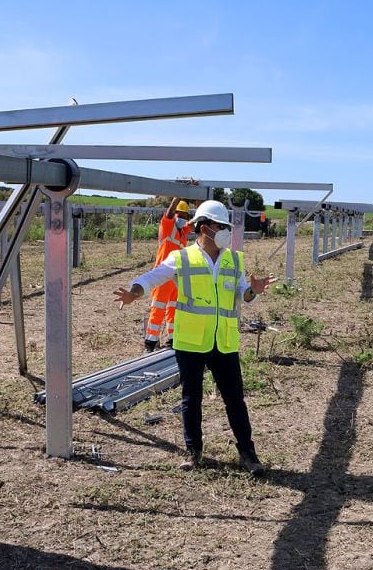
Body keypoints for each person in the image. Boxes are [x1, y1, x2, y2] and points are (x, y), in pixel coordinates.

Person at [113, 200, 275, 476]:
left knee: (235, 399)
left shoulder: (234, 258)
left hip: (223, 341)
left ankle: (248, 453)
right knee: (192, 398)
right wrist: (134, 291)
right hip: (190, 341)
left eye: (224, 226)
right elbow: (153, 277)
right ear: (203, 228)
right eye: (217, 225)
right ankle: (193, 451)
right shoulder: (182, 257)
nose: (222, 230)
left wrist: (253, 290)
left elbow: (242, 294)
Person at [144, 198, 192, 351]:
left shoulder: (183, 232)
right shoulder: (167, 226)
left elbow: (198, 219)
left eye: (185, 215)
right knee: (158, 308)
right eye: (180, 214)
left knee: (173, 308)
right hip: (163, 274)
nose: (182, 218)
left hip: (177, 276)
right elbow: (170, 211)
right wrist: (178, 195)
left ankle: (172, 339)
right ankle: (151, 342)